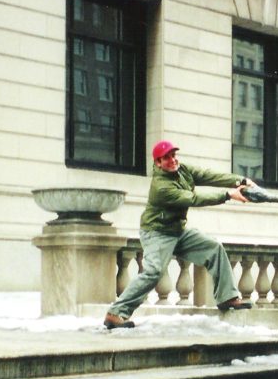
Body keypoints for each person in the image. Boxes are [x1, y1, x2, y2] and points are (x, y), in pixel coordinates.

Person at [104, 140, 255, 329]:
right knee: (153, 272)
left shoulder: (182, 170)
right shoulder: (161, 187)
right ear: (158, 163)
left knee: (214, 248)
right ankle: (116, 314)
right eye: (166, 158)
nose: (172, 160)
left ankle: (228, 297)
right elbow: (193, 198)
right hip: (157, 233)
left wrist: (239, 180)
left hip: (178, 231)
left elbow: (208, 175)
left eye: (174, 155)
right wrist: (227, 195)